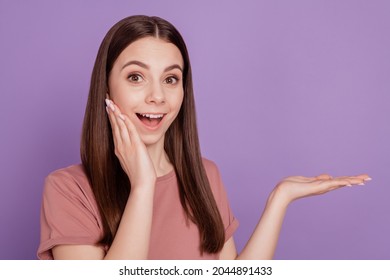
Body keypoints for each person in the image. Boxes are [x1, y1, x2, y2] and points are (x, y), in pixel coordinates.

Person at [37, 15, 370, 260]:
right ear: (106, 86)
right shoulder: (68, 189)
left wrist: (279, 200)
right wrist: (143, 186)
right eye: (136, 77)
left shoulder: (205, 175)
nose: (157, 96)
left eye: (171, 79)